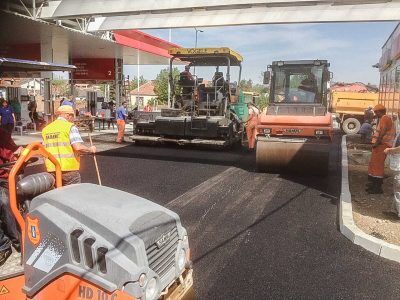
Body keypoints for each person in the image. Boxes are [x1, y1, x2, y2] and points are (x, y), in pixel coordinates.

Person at [42, 105, 96, 186]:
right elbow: (78, 147)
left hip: (52, 169)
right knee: (72, 195)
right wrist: (90, 149)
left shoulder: (46, 129)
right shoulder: (69, 127)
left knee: (57, 194)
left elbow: (44, 149)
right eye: (72, 116)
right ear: (67, 115)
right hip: (68, 169)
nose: (73, 119)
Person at [0, 128, 23, 265]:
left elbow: (14, 153)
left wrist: (18, 152)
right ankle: (3, 242)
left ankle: (18, 241)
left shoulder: (2, 134)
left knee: (5, 203)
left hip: (4, 177)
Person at [366, 104, 395, 194]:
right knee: (373, 164)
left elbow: (382, 131)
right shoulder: (385, 118)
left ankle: (377, 188)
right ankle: (373, 184)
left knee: (377, 165)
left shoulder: (384, 118)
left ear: (380, 111)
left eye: (376, 112)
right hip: (380, 145)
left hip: (382, 145)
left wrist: (377, 143)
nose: (375, 114)